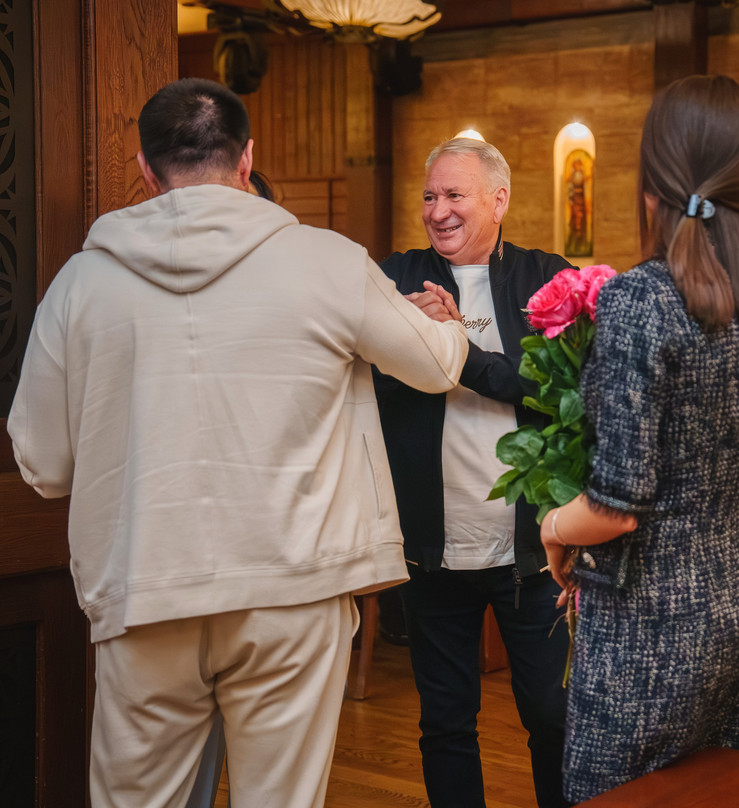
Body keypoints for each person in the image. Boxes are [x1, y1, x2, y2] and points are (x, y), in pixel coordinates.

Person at [7, 78, 468, 807]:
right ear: (247, 157)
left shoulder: (80, 283)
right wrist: (448, 323)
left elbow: (42, 462)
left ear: (145, 167)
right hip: (294, 586)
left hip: (145, 586)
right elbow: (436, 367)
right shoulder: (327, 260)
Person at [538, 74, 739, 803]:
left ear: (652, 177)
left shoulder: (642, 298)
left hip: (647, 625)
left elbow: (617, 506)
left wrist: (553, 526)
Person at [372, 137, 572, 808]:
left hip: (537, 552)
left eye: (455, 194)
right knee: (445, 725)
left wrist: (459, 348)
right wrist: (411, 339)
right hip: (433, 550)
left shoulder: (548, 278)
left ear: (498, 200)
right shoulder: (394, 278)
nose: (439, 211)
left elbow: (558, 391)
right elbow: (363, 381)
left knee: (553, 719)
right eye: (429, 196)